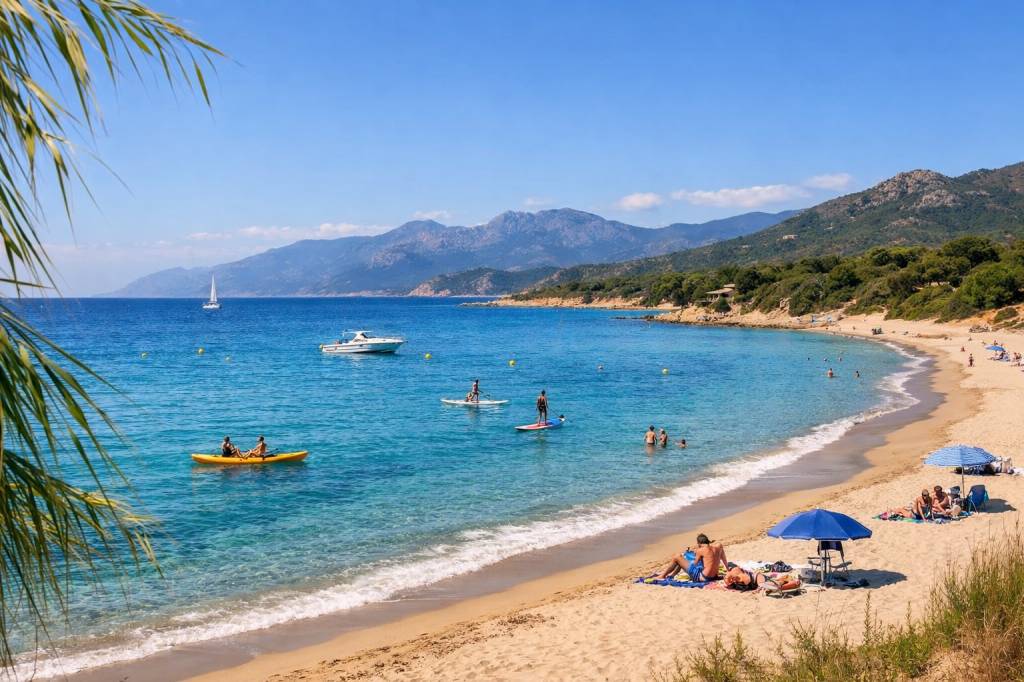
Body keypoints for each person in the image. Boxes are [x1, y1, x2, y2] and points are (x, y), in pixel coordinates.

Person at [655, 534, 727, 581]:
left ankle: (662, 576)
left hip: (704, 577)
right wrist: (727, 568)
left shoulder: (700, 550)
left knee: (677, 556)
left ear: (699, 543)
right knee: (682, 560)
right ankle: (672, 575)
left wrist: (688, 559)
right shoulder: (718, 547)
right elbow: (723, 558)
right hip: (714, 576)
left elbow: (695, 564)